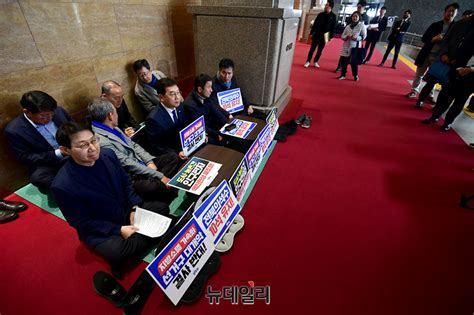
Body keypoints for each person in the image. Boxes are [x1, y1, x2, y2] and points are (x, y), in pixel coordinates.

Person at [51, 122, 175, 277]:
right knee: (117, 252)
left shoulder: (108, 154)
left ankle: (142, 239)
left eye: (94, 140)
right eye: (83, 145)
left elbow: (126, 182)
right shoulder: (62, 185)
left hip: (126, 212)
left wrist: (134, 207)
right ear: (65, 150)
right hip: (103, 227)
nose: (93, 148)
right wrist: (118, 230)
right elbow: (80, 222)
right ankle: (152, 234)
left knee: (162, 208)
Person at [88, 98, 179, 203]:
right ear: (110, 116)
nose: (117, 113)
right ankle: (163, 188)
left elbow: (134, 145)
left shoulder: (112, 127)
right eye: (115, 111)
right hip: (133, 176)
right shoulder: (101, 141)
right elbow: (127, 163)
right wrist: (159, 175)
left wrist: (149, 162)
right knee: (153, 186)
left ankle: (161, 184)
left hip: (141, 163)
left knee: (172, 157)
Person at [4, 91, 73, 190]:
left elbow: (75, 129)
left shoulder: (59, 111)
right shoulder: (14, 130)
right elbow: (26, 157)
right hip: (49, 163)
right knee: (39, 178)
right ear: (27, 112)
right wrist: (59, 153)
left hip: (73, 153)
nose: (50, 117)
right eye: (43, 115)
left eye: (51, 112)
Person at [421, 17, 474, 131]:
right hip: (454, 66)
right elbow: (448, 39)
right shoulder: (463, 23)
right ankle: (434, 116)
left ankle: (448, 122)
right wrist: (445, 54)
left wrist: (471, 69)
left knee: (460, 100)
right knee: (444, 94)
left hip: (471, 74)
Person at [406, 3, 459, 100]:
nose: (450, 13)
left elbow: (454, 44)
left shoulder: (455, 28)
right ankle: (414, 91)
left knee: (434, 76)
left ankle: (429, 95)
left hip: (440, 57)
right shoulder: (435, 25)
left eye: (453, 11)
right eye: (449, 11)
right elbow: (424, 38)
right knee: (419, 74)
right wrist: (432, 39)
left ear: (456, 13)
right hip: (427, 53)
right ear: (445, 12)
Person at [145, 78, 188, 161]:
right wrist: (177, 152)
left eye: (178, 92)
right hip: (172, 155)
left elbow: (185, 127)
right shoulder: (153, 119)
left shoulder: (180, 106)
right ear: (161, 97)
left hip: (184, 147)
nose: (177, 97)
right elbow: (157, 147)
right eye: (172, 94)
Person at [183, 74, 228, 145]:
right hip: (202, 132)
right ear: (200, 89)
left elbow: (216, 111)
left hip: (211, 126)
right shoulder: (189, 105)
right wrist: (216, 134)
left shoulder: (206, 95)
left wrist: (227, 124)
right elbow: (199, 126)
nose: (211, 90)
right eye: (209, 87)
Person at [303, 0, 337, 68]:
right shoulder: (320, 14)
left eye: (327, 5)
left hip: (326, 35)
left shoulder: (333, 16)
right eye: (325, 5)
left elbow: (333, 27)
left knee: (320, 50)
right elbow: (315, 24)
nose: (325, 6)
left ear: (330, 6)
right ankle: (308, 61)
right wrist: (311, 33)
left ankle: (316, 61)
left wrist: (331, 37)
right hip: (317, 33)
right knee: (312, 49)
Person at [337, 11, 367, 81]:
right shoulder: (348, 26)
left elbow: (364, 36)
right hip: (346, 45)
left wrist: (356, 38)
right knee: (344, 61)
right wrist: (347, 36)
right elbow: (342, 36)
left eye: (356, 16)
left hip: (355, 47)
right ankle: (343, 75)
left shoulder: (361, 25)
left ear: (359, 17)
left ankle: (355, 75)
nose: (354, 18)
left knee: (354, 62)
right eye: (353, 16)